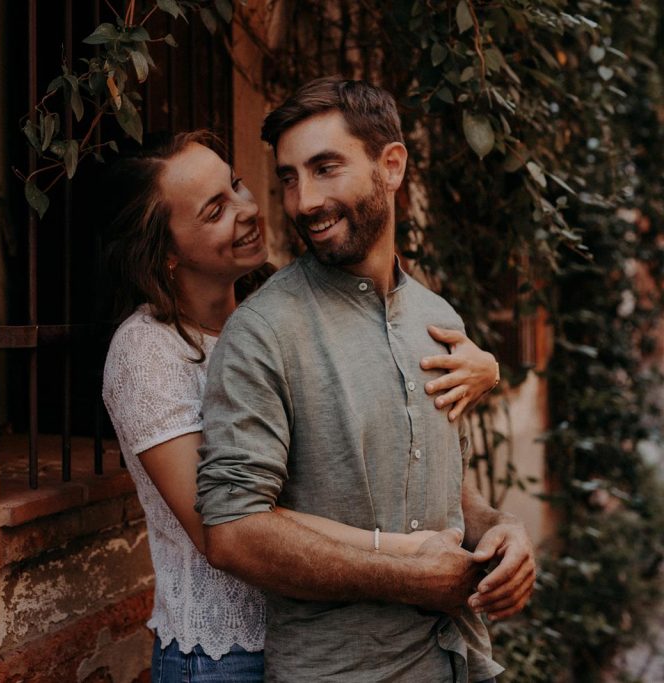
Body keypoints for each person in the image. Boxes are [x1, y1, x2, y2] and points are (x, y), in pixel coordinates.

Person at [100, 130, 502, 682]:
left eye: (236, 185)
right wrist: (401, 553)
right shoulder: (146, 353)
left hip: (329, 638)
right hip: (228, 656)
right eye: (216, 210)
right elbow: (227, 526)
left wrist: (485, 365)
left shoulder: (282, 314)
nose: (247, 210)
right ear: (165, 252)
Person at [195, 77, 536, 682]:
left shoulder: (440, 320)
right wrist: (408, 576)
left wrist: (503, 533)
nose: (303, 202)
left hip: (457, 663)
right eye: (290, 178)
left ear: (392, 165)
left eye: (326, 168)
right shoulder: (263, 331)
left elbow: (449, 492)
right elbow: (234, 530)